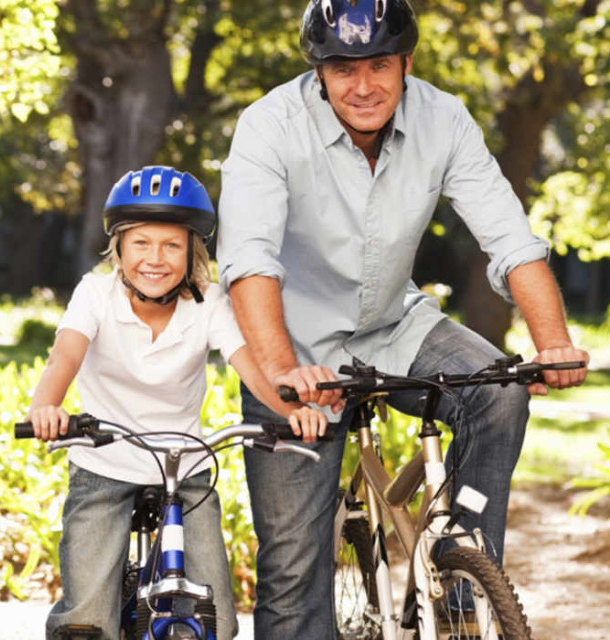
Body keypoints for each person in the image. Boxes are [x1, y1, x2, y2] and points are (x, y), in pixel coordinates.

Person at [215, 0, 590, 637]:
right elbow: (250, 259)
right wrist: (281, 370)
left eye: (380, 65)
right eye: (343, 69)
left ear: (407, 63)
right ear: (318, 72)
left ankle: (463, 577)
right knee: (292, 576)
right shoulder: (269, 124)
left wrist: (551, 343)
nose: (363, 87)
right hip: (293, 345)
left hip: (395, 325)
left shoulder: (444, 118)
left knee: (498, 394)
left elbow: (510, 238)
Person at [28, 166, 328, 640]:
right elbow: (64, 356)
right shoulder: (95, 293)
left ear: (192, 251)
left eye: (171, 245)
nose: (155, 258)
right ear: (119, 248)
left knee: (217, 622)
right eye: (142, 243)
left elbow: (249, 366)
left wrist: (292, 413)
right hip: (105, 462)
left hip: (183, 466)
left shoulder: (209, 302)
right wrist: (46, 406)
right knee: (86, 620)